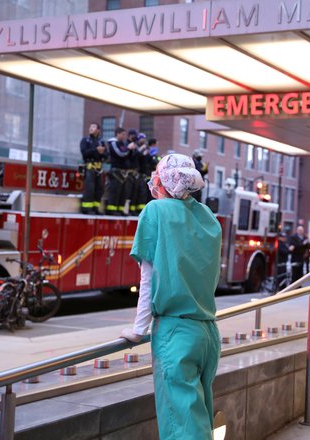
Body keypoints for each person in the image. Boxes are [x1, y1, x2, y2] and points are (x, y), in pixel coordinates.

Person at [120, 153, 221, 440]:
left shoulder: (156, 212)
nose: (151, 178)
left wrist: (139, 329)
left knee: (181, 429)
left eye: (156, 173)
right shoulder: (208, 217)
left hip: (175, 333)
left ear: (164, 181)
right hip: (207, 332)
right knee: (199, 422)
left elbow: (148, 276)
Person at [105, 127, 138, 215]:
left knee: (123, 192)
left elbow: (128, 157)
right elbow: (120, 153)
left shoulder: (123, 144)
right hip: (116, 171)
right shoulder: (114, 143)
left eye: (124, 135)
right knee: (115, 191)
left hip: (123, 172)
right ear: (117, 134)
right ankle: (111, 209)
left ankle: (120, 209)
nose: (124, 136)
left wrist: (131, 150)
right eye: (122, 134)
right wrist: (128, 148)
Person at [79, 122, 107, 214]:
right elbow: (84, 152)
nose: (91, 128)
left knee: (99, 189)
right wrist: (96, 150)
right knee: (89, 188)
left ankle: (95, 208)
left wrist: (103, 153)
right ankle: (86, 208)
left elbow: (107, 155)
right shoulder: (85, 140)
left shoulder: (101, 142)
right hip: (90, 167)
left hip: (99, 168)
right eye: (90, 126)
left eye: (94, 127)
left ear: (98, 130)